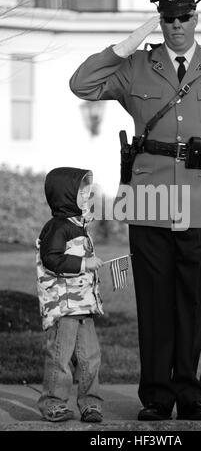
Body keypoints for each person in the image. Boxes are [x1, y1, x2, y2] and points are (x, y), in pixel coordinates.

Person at [69, 0, 201, 421]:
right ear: (159, 21)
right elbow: (82, 84)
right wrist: (127, 43)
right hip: (148, 199)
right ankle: (155, 396)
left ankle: (189, 394)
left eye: (184, 17)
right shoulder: (135, 67)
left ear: (196, 19)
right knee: (153, 299)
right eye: (168, 19)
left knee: (191, 298)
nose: (177, 26)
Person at [36, 167, 104, 422]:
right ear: (65, 195)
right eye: (81, 189)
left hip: (83, 306)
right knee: (60, 357)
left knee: (90, 358)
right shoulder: (57, 228)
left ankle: (90, 403)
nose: (87, 193)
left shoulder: (79, 225)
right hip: (64, 307)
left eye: (88, 188)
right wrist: (84, 264)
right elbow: (51, 259)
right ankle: (53, 402)